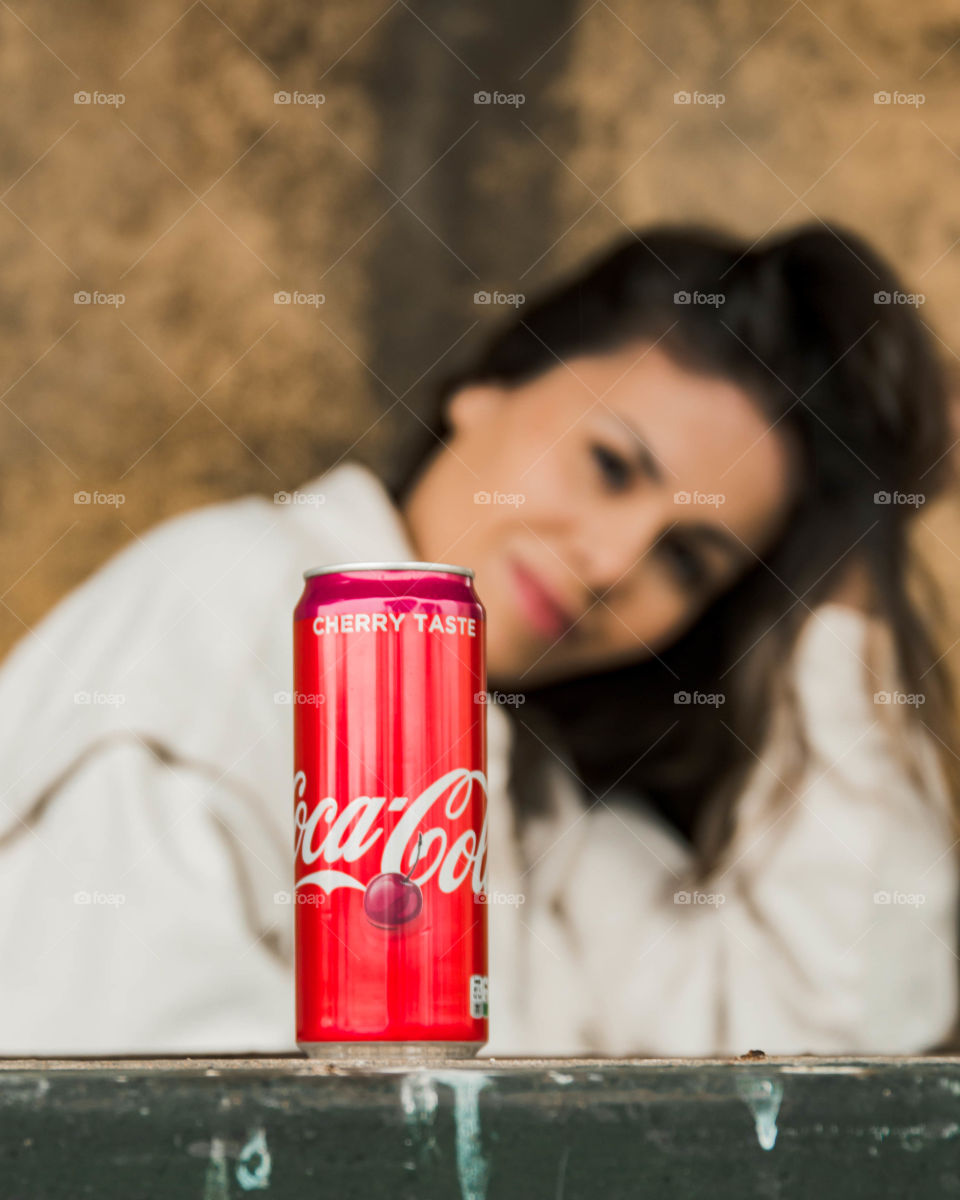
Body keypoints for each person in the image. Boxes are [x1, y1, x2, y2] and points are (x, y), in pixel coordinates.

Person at [0, 223, 956, 1056]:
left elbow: (823, 1051)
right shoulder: (232, 612)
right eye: (611, 465)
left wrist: (845, 603)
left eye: (687, 561)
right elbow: (142, 1127)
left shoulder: (542, 809)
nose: (614, 559)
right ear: (490, 385)